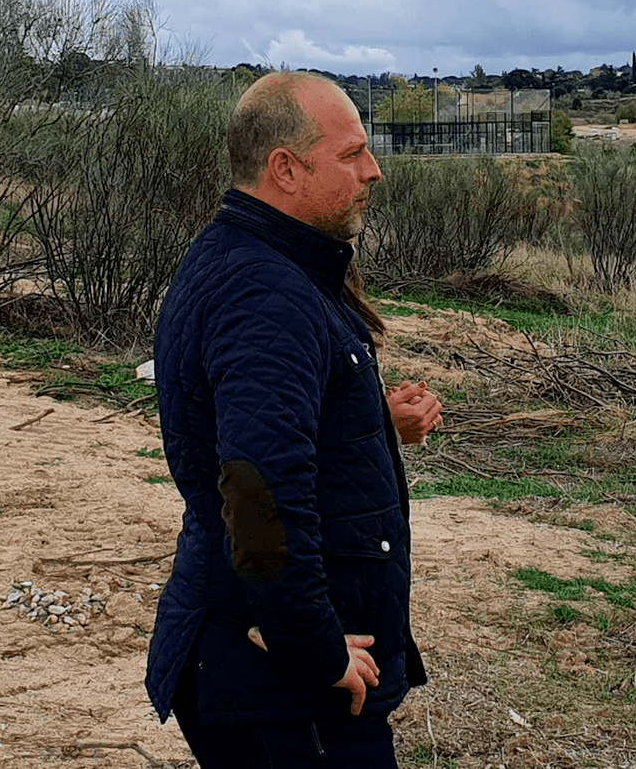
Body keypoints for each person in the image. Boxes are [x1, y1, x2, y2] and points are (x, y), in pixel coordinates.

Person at [146, 72, 440, 766]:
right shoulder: (264, 293)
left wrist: (370, 421)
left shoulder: (263, 261)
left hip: (259, 656)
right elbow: (257, 490)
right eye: (350, 155)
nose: (372, 171)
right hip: (281, 686)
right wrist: (312, 649)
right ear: (285, 167)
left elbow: (262, 434)